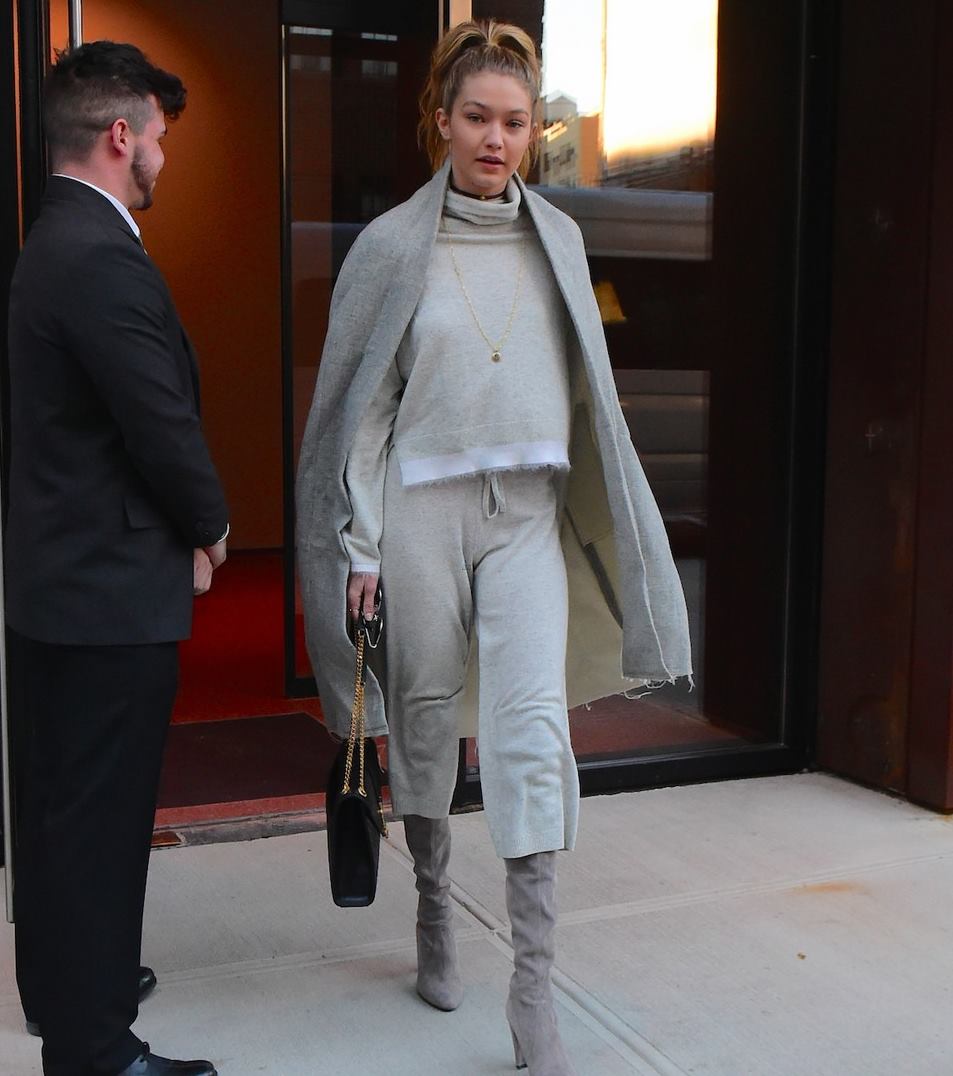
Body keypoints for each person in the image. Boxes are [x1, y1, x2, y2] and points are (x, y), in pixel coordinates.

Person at [296, 19, 691, 1075]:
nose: (495, 138)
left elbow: (584, 390)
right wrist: (360, 546)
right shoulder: (392, 246)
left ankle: (532, 986)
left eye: (515, 122)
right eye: (476, 117)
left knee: (528, 733)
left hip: (525, 515)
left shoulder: (557, 238)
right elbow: (362, 414)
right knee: (425, 721)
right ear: (441, 121)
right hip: (420, 515)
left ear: (531, 133)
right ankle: (433, 908)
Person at [6, 42, 228, 1076]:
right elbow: (159, 423)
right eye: (161, 139)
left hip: (59, 583)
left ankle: (69, 993)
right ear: (120, 134)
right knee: (98, 826)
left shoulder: (48, 238)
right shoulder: (98, 253)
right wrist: (211, 527)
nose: (163, 161)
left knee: (60, 817)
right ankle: (96, 1051)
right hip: (107, 595)